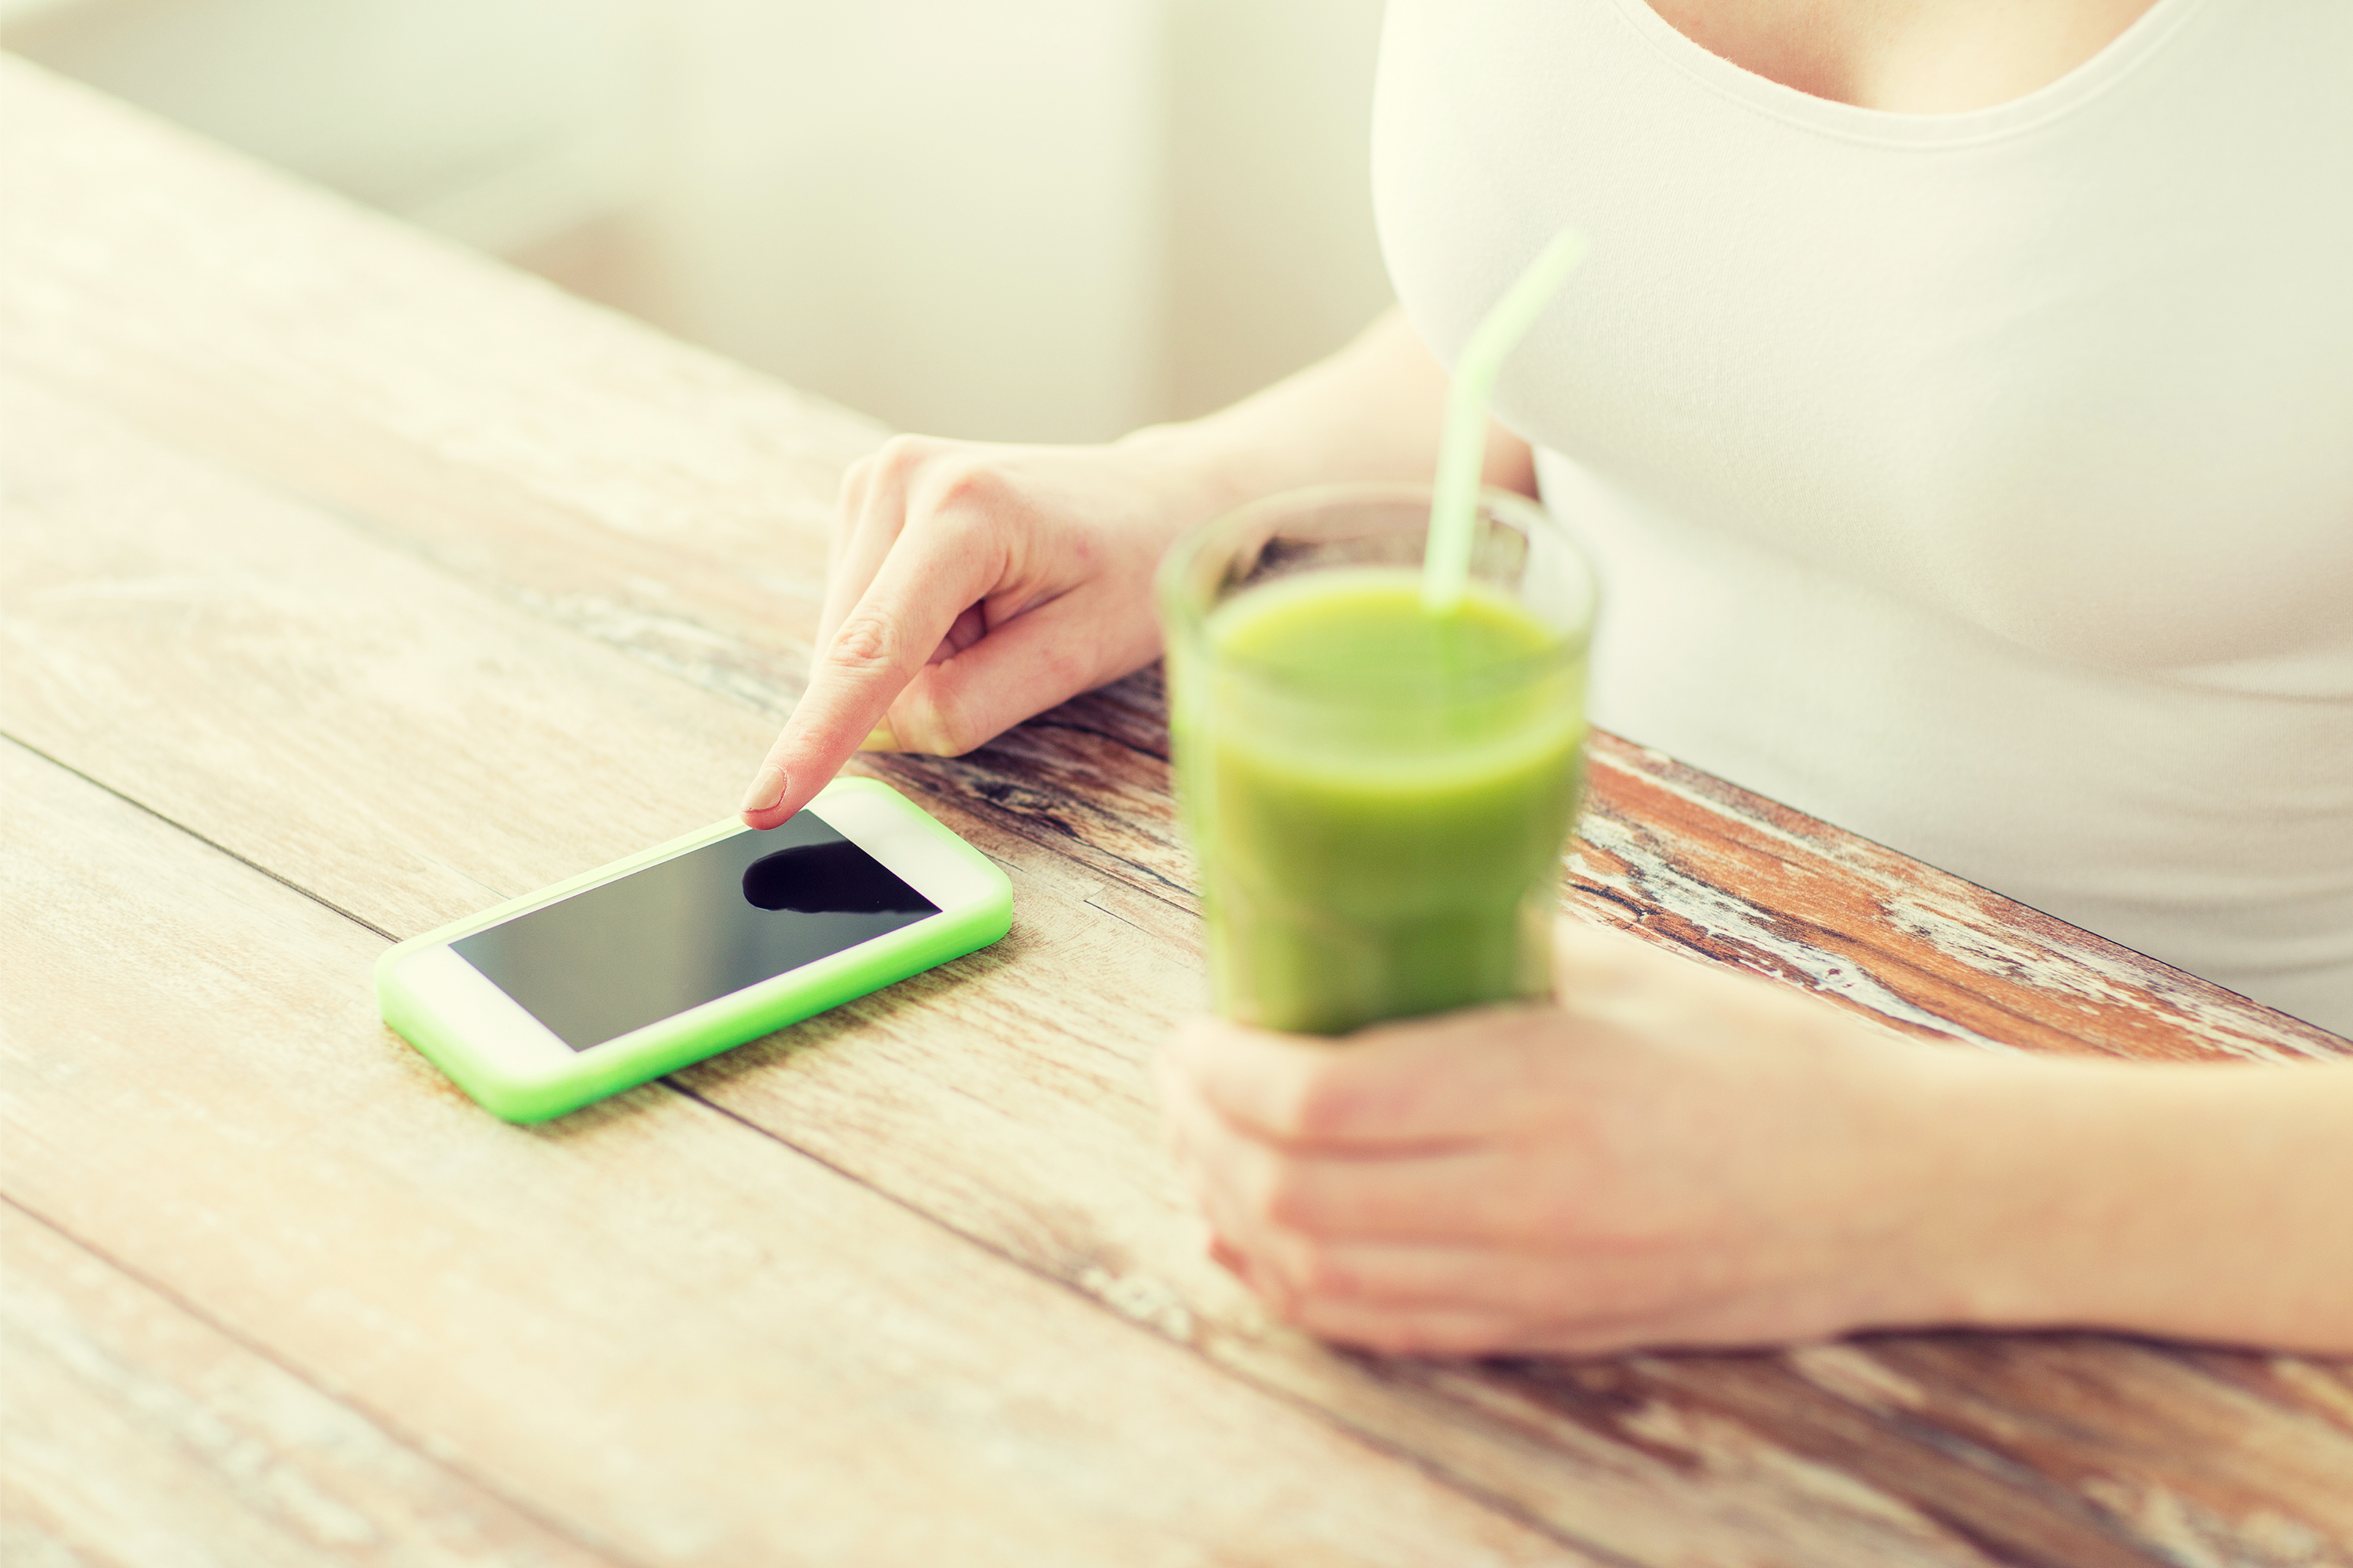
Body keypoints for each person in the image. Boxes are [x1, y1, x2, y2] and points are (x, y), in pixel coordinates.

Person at [737, 0, 2353, 1356]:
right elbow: (1638, 302)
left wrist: (1904, 1183)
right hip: (1567, 1088)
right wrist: (1212, 482)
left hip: (2179, 1278)